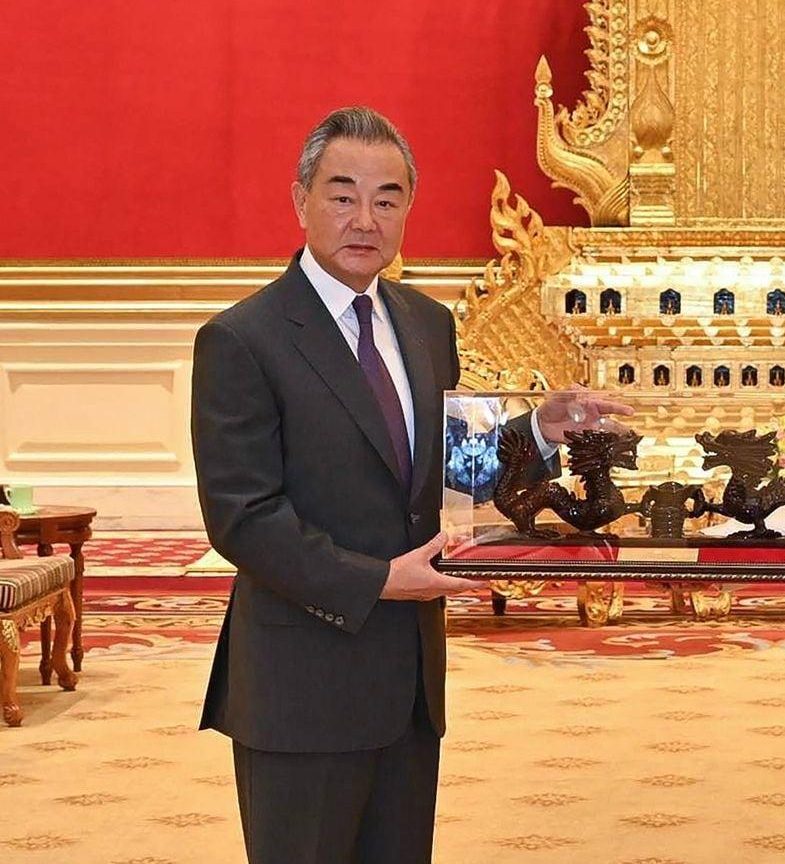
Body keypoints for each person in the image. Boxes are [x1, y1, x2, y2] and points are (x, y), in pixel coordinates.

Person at [192, 107, 624, 863]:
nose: (366, 218)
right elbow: (243, 517)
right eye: (342, 194)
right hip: (302, 687)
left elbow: (453, 470)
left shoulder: (426, 323)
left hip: (409, 688)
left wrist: (539, 432)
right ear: (300, 201)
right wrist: (378, 580)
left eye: (388, 198)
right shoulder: (242, 339)